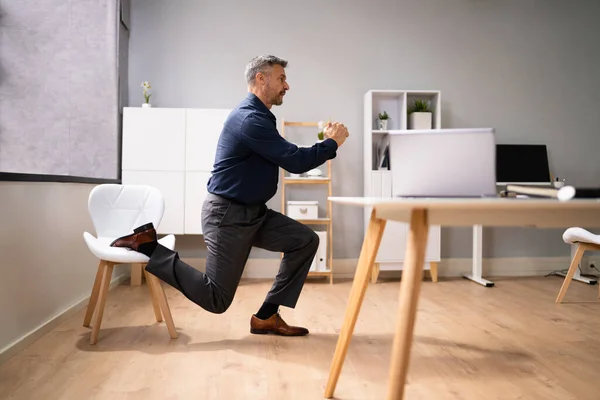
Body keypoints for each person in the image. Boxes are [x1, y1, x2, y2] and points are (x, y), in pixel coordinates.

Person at [110, 55, 349, 336]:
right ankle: (149, 246)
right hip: (227, 216)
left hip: (254, 213)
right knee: (216, 299)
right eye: (281, 78)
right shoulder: (249, 119)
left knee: (305, 240)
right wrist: (333, 142)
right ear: (261, 79)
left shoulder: (260, 117)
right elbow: (294, 161)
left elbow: (288, 155)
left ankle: (266, 316)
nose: (287, 86)